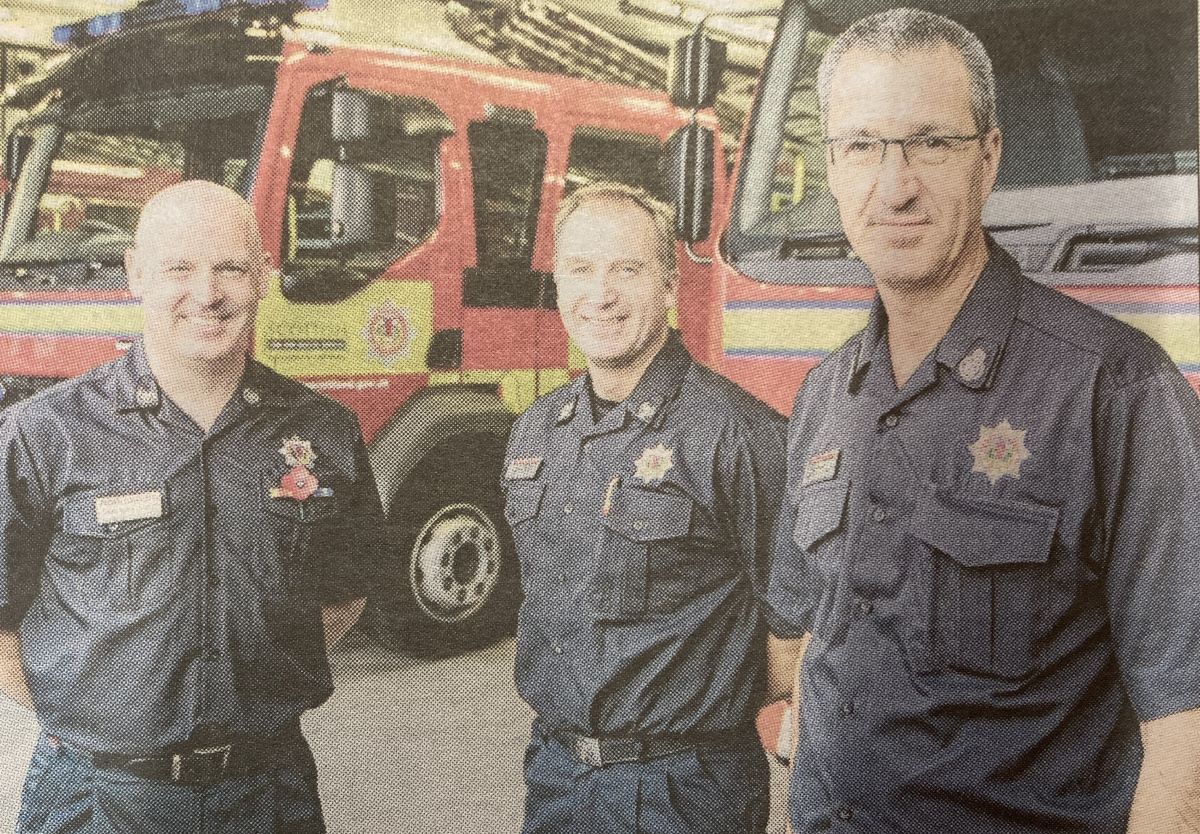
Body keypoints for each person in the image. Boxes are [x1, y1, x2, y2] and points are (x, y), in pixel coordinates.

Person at [765, 8, 1200, 834]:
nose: (893, 185)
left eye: (930, 142)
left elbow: (1187, 728)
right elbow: (819, 649)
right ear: (829, 165)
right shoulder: (824, 396)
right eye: (861, 145)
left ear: (989, 157)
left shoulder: (1115, 389)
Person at [0, 180, 383, 834]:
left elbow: (347, 590)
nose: (207, 294)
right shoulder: (44, 435)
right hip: (93, 796)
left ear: (264, 277)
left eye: (230, 268)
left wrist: (251, 676)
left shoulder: (324, 434)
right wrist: (94, 723)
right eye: (180, 268)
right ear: (137, 275)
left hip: (267, 788)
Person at [504, 182, 801, 833]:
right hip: (555, 778)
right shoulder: (535, 435)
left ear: (670, 286)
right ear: (557, 284)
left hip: (684, 793)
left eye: (626, 270)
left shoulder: (738, 435)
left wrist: (703, 705)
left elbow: (798, 633)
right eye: (580, 269)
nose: (600, 293)